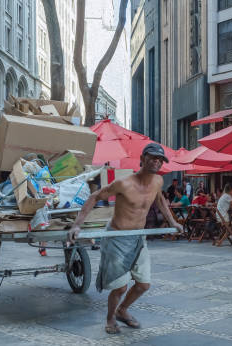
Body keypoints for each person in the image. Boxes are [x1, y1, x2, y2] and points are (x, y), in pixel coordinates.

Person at [68, 143, 183, 335]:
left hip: (138, 237)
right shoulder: (124, 183)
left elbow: (160, 200)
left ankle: (123, 310)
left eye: (160, 159)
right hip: (117, 237)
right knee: (120, 287)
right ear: (142, 159)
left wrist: (173, 221)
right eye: (153, 157)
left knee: (144, 284)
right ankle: (111, 317)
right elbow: (95, 197)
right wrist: (77, 224)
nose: (157, 162)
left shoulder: (158, 182)